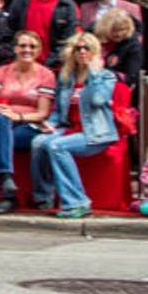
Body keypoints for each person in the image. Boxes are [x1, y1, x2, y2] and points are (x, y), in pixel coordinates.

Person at [31, 34, 118, 219]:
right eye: (78, 48)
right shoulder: (66, 78)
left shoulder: (106, 76)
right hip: (69, 128)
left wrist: (94, 74)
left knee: (57, 146)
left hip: (95, 133)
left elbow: (98, 100)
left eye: (87, 48)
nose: (82, 52)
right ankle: (44, 196)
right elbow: (58, 110)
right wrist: (51, 124)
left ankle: (78, 202)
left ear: (95, 52)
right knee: (39, 142)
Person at [0, 30, 56, 215]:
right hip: (1, 124)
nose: (27, 50)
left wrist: (18, 117)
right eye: (22, 45)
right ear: (15, 48)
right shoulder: (0, 72)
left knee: (4, 133)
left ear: (39, 50)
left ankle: (8, 194)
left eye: (32, 46)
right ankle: (7, 180)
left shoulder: (46, 75)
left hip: (28, 126)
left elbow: (42, 113)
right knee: (1, 121)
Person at [6, 0, 79, 69]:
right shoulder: (22, 0)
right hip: (20, 67)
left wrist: (49, 65)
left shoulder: (67, 6)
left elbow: (68, 42)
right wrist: (13, 56)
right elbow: (9, 31)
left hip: (53, 69)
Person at [95, 9, 143, 101]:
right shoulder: (96, 40)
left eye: (122, 30)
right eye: (114, 30)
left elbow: (130, 77)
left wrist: (102, 72)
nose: (119, 34)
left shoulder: (133, 46)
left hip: (117, 93)